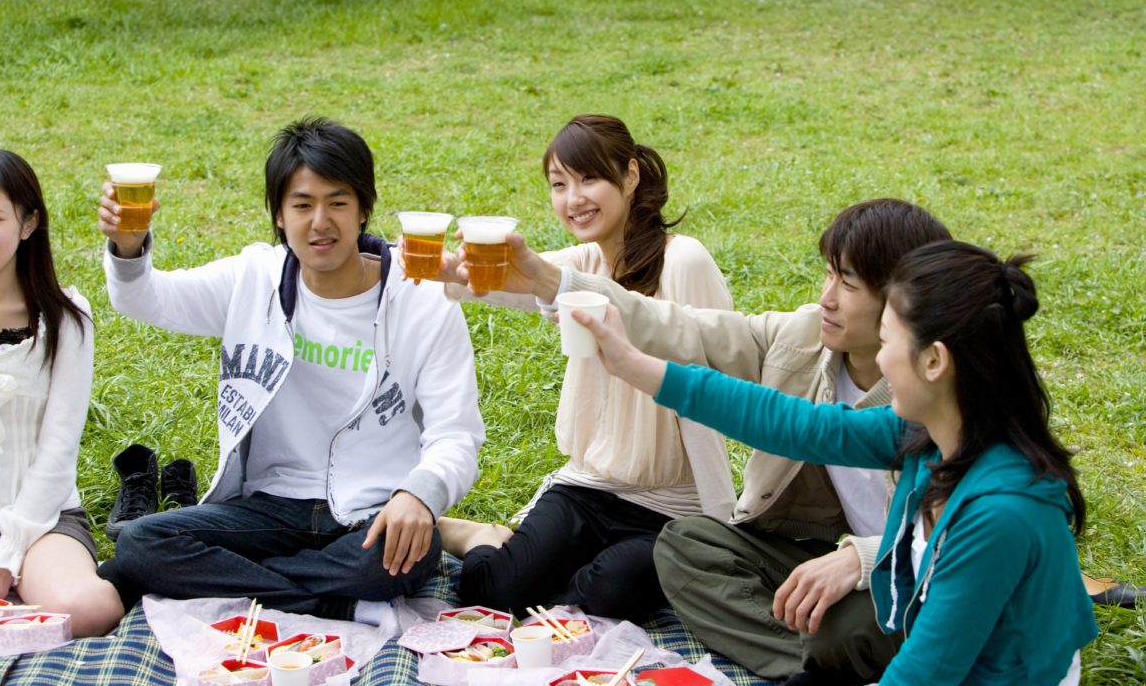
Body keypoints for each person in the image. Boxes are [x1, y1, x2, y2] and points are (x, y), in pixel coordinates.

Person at [461, 198, 951, 681]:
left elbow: (962, 538)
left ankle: (825, 657)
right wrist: (553, 283)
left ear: (904, 301)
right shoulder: (805, 338)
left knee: (847, 628)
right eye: (828, 274)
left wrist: (862, 559)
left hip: (921, 577)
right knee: (688, 546)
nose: (826, 297)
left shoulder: (943, 402)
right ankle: (812, 660)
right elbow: (685, 331)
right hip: (819, 550)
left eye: (847, 283)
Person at [577, 239, 1097, 685]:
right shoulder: (932, 436)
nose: (882, 360)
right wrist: (633, 365)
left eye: (889, 341)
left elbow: (927, 673)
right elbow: (790, 423)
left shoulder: (999, 514)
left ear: (934, 361)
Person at [95, 118, 485, 621]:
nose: (320, 221)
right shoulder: (253, 278)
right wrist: (129, 246)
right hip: (270, 507)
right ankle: (333, 601)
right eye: (302, 204)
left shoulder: (422, 297)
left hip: (371, 511)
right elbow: (146, 300)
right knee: (142, 542)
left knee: (406, 555)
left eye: (337, 202)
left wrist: (419, 493)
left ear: (364, 208)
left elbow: (456, 433)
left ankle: (253, 582)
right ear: (279, 215)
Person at [429, 114, 736, 621]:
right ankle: (479, 535)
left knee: (611, 591)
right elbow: (508, 280)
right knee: (491, 592)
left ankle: (573, 568)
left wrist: (720, 523)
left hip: (673, 505)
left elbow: (714, 389)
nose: (574, 199)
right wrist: (451, 271)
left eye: (588, 178)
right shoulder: (585, 262)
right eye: (558, 184)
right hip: (589, 486)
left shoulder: (684, 261)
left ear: (631, 175)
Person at [0, 148, 123, 637]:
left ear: (28, 224)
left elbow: (59, 448)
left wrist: (7, 555)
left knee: (92, 609)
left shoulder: (67, 320)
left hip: (43, 519)